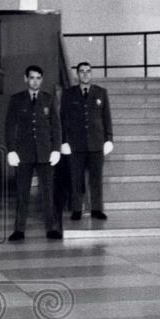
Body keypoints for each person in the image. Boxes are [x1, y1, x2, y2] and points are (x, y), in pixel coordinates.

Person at [4, 65, 62, 241]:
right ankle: (19, 230)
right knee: (22, 192)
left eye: (38, 77)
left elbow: (56, 127)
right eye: (32, 77)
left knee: (48, 192)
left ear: (41, 79)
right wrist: (11, 150)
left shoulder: (49, 99)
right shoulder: (16, 100)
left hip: (45, 153)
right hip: (24, 154)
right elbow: (10, 127)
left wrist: (56, 149)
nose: (35, 81)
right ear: (25, 78)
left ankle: (51, 228)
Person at [60, 61, 114, 221]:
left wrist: (109, 138)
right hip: (76, 145)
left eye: (88, 71)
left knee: (96, 178)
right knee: (76, 178)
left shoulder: (101, 93)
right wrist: (64, 141)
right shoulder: (68, 94)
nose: (85, 74)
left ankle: (97, 209)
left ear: (91, 73)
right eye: (81, 71)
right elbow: (63, 119)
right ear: (77, 74)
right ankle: (77, 209)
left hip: (97, 143)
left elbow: (106, 118)